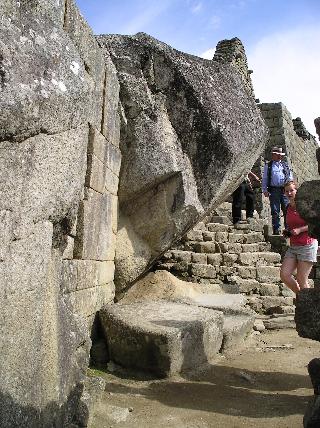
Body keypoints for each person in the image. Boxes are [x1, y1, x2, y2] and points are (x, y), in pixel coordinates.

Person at [280, 180, 318, 294]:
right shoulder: (288, 207)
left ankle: (308, 305)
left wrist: (300, 230)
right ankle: (302, 299)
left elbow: (315, 222)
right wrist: (288, 231)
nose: (289, 193)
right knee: (284, 275)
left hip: (307, 245)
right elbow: (291, 224)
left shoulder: (305, 206)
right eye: (287, 191)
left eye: (292, 190)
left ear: (297, 191)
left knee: (302, 280)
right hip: (294, 246)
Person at [262, 146, 293, 235]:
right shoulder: (268, 166)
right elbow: (265, 178)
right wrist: (264, 189)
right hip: (274, 190)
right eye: (278, 155)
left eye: (281, 155)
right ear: (273, 155)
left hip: (285, 190)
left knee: (287, 209)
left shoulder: (285, 165)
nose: (280, 156)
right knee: (275, 211)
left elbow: (290, 177)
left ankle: (288, 230)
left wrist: (290, 188)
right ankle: (276, 230)